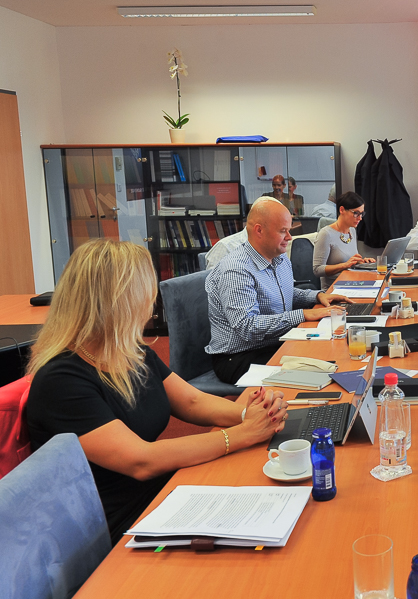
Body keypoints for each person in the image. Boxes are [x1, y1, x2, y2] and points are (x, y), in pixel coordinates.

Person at [26, 239, 289, 541]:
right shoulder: (62, 381)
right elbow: (142, 460)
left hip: (160, 493)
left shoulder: (131, 352)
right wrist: (242, 434)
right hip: (112, 522)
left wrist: (249, 414)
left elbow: (189, 401)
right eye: (145, 293)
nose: (151, 303)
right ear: (119, 301)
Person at [206, 199, 349, 384]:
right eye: (283, 231)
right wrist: (303, 315)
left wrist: (317, 295)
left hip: (274, 343)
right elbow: (247, 327)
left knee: (333, 355)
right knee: (318, 374)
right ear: (259, 230)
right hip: (239, 357)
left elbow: (286, 293)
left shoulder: (279, 258)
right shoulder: (236, 269)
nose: (289, 237)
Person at [313, 191, 375, 289]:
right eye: (356, 213)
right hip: (333, 290)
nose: (360, 218)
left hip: (352, 284)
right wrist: (344, 265)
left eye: (362, 214)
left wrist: (361, 262)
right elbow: (317, 270)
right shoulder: (326, 234)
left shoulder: (352, 230)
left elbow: (349, 260)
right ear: (342, 210)